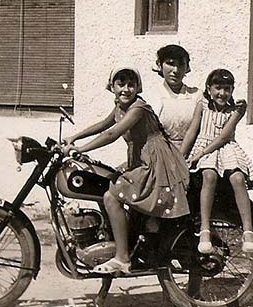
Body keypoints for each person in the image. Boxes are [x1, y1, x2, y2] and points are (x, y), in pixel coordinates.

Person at [63, 66, 190, 273]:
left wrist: (80, 149)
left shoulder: (138, 107)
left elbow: (111, 134)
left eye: (131, 84)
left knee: (112, 196)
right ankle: (122, 238)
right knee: (107, 178)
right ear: (111, 86)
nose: (126, 89)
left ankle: (122, 258)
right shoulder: (120, 106)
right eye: (121, 84)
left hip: (157, 162)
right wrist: (74, 137)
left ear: (138, 87)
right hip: (142, 159)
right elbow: (103, 125)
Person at [180, 69, 253, 254]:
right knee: (209, 176)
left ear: (232, 90)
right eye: (217, 88)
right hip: (204, 146)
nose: (222, 93)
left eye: (227, 89)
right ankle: (205, 230)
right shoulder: (202, 104)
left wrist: (200, 154)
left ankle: (248, 232)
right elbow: (192, 130)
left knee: (238, 178)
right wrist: (181, 156)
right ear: (209, 88)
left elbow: (224, 138)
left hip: (225, 147)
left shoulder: (236, 110)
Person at [142, 44, 202, 149]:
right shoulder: (151, 97)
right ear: (160, 65)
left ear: (187, 68)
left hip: (192, 154)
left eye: (181, 64)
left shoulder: (197, 96)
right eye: (170, 64)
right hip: (159, 153)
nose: (176, 70)